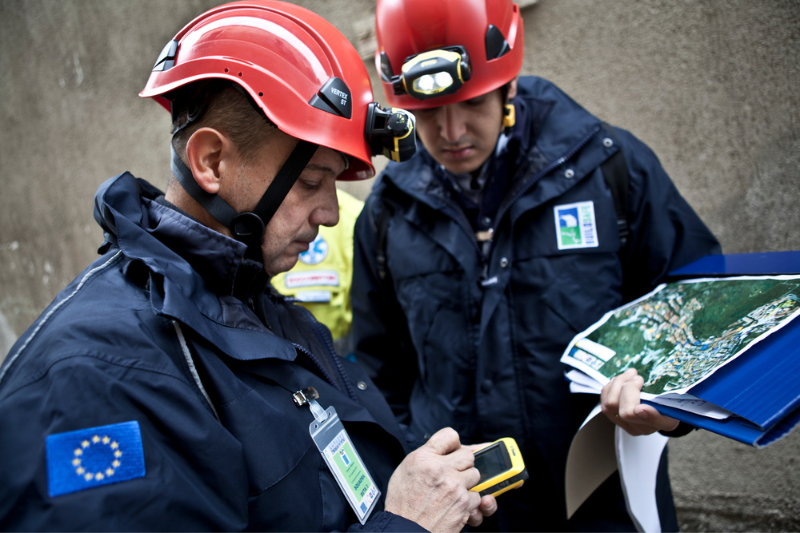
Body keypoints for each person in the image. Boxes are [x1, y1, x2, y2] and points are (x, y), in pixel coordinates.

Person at [0, 2, 496, 531]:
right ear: (212, 161)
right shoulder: (94, 381)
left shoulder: (247, 301)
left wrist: (426, 488)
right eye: (310, 183)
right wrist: (407, 524)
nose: (329, 214)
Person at [351, 0, 721, 531]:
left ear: (509, 86)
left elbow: (704, 309)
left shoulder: (611, 169)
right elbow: (378, 370)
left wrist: (671, 407)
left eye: (471, 103)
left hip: (601, 507)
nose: (451, 131)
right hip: (467, 517)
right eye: (428, 113)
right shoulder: (387, 212)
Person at [272, 189, 364, 358]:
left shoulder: (355, 216)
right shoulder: (260, 208)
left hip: (343, 364)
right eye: (310, 182)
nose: (330, 217)